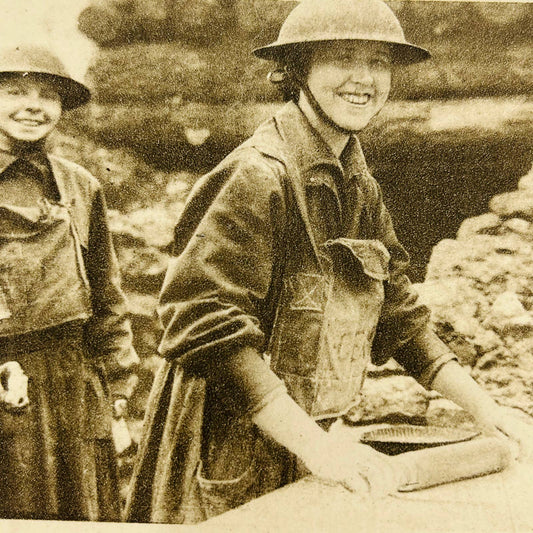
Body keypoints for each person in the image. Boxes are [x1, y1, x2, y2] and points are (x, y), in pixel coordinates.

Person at [126, 0, 533, 524]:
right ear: (298, 70)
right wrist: (319, 451)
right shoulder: (257, 176)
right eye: (343, 58)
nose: (364, 79)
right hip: (223, 438)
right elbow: (207, 326)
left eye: (380, 63)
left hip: (305, 438)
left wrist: (490, 412)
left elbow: (398, 315)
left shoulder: (358, 184)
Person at [0, 44, 139, 521]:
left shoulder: (80, 186)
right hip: (6, 379)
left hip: (73, 382)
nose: (33, 105)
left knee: (82, 510)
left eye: (48, 95)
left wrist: (117, 383)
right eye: (15, 91)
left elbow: (106, 291)